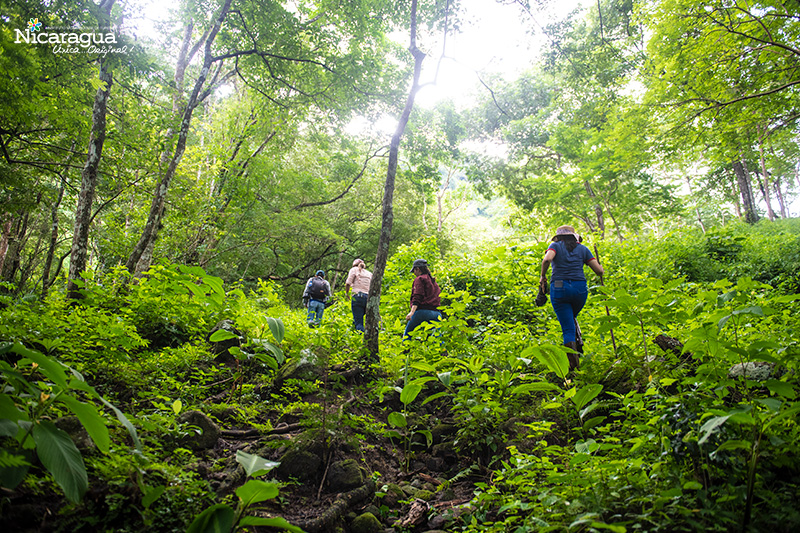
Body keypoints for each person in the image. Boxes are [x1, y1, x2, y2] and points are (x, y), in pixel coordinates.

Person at [539, 225, 604, 371]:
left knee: (567, 328)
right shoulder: (583, 249)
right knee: (571, 319)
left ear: (559, 237)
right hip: (579, 289)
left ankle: (573, 368)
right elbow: (599, 271)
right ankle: (578, 345)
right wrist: (601, 269)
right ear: (574, 236)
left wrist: (543, 276)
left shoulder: (554, 246)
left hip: (560, 287)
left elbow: (546, 260)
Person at [404, 258, 442, 339]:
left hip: (422, 312)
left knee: (408, 336)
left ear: (417, 269)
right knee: (437, 338)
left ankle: (405, 350)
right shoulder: (434, 282)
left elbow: (417, 296)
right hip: (436, 313)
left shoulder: (419, 279)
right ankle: (442, 351)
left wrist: (411, 312)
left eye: (414, 271)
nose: (414, 273)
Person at [345, 258, 372, 332]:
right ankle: (354, 333)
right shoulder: (369, 273)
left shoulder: (353, 270)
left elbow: (348, 283)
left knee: (359, 322)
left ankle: (360, 339)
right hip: (368, 298)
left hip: (357, 297)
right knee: (359, 319)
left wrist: (346, 293)